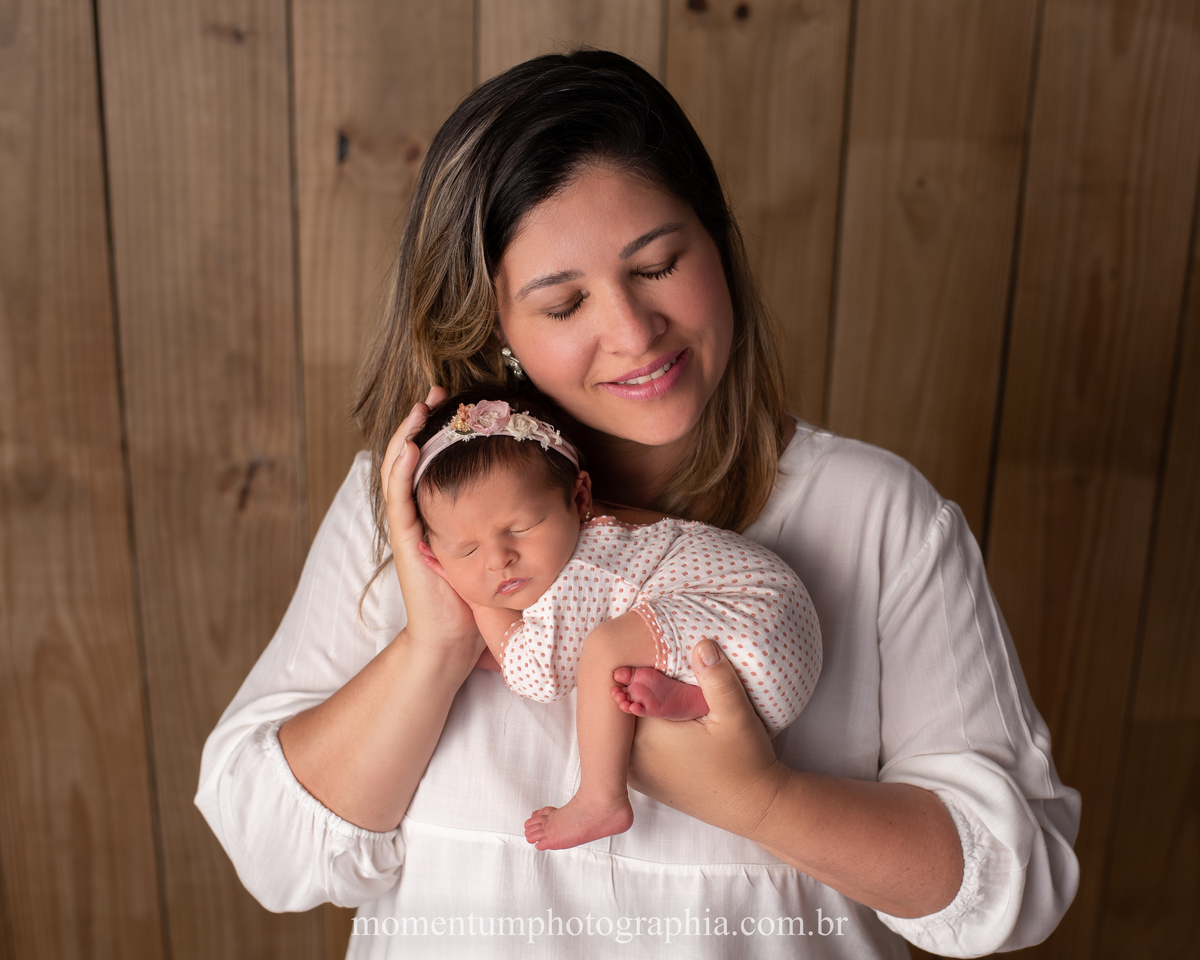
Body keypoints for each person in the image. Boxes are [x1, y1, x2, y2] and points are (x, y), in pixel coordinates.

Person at [195, 50, 1080, 958]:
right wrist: (438, 644)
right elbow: (270, 850)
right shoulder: (412, 514)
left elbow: (1016, 884)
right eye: (564, 302)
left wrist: (760, 800)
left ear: (716, 242)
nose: (632, 332)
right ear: (498, 332)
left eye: (657, 265)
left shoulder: (874, 514)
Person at [407, 390, 821, 851]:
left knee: (606, 648)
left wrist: (477, 599)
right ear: (434, 554)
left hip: (756, 620)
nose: (499, 559)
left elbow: (536, 676)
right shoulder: (597, 550)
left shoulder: (582, 569)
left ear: (580, 498)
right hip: (767, 651)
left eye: (521, 528)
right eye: (467, 550)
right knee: (617, 660)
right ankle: (691, 698)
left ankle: (600, 800)